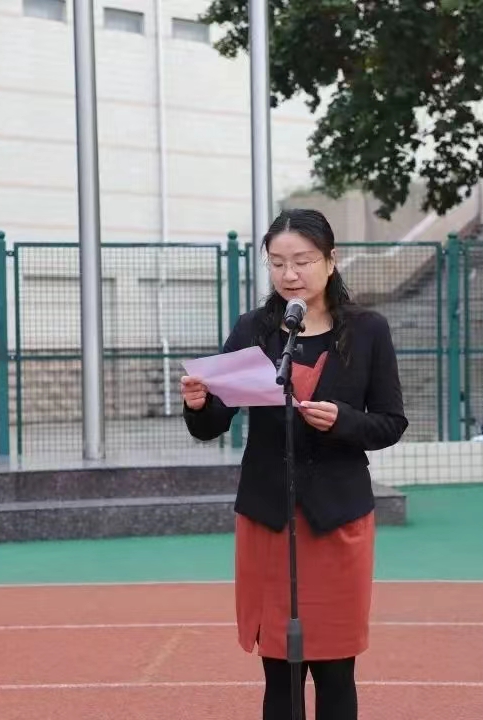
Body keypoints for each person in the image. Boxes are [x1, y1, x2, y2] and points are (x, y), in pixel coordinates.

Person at [180, 208, 408, 720]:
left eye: (302, 261)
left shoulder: (368, 330)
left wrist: (343, 420)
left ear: (331, 260)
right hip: (269, 519)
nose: (290, 274)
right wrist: (198, 405)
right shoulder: (254, 329)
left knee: (336, 670)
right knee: (280, 673)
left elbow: (391, 423)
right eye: (278, 262)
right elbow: (213, 422)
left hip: (337, 520)